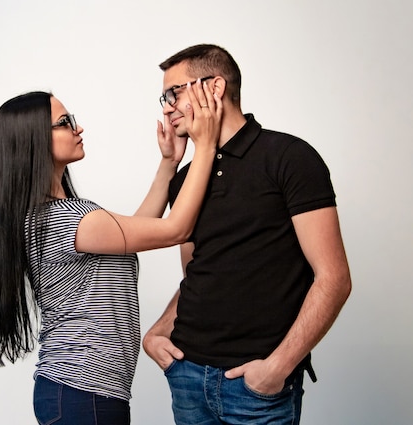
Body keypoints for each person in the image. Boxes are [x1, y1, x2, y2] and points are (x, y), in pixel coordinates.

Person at [0, 85, 222, 425]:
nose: (77, 128)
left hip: (82, 393)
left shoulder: (58, 216)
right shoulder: (67, 220)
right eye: (64, 122)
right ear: (34, 139)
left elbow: (137, 232)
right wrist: (207, 145)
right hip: (81, 393)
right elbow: (177, 229)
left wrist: (170, 163)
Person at [142, 44, 352, 425]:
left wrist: (277, 367)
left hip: (256, 386)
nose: (167, 106)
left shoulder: (289, 157)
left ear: (215, 87)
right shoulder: (187, 178)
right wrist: (158, 331)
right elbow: (197, 275)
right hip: (187, 376)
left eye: (175, 92)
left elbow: (334, 278)